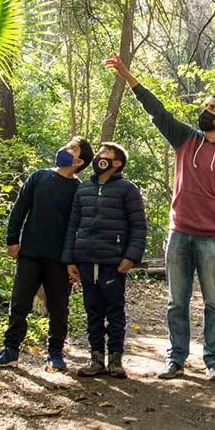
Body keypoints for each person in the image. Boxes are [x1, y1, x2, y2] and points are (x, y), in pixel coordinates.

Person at [104, 52, 215, 381]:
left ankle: (214, 362)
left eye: (213, 109)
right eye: (207, 106)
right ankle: (176, 359)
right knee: (176, 303)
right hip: (180, 233)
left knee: (214, 303)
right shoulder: (185, 138)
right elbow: (156, 110)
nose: (206, 111)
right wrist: (126, 74)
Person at [0, 137, 94, 370]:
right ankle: (10, 350)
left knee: (59, 308)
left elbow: (78, 227)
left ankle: (55, 353)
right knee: (19, 303)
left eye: (72, 149)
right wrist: (12, 240)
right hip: (29, 253)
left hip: (59, 259)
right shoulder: (38, 177)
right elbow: (19, 209)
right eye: (67, 145)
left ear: (78, 162)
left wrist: (74, 261)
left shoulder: (79, 190)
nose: (65, 149)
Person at [63, 142, 147, 378]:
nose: (99, 156)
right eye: (99, 153)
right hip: (86, 260)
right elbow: (73, 225)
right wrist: (70, 259)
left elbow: (139, 226)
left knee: (115, 311)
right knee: (93, 311)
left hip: (113, 261)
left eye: (105, 154)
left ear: (116, 163)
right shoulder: (83, 189)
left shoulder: (127, 189)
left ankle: (116, 360)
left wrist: (131, 256)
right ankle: (96, 359)